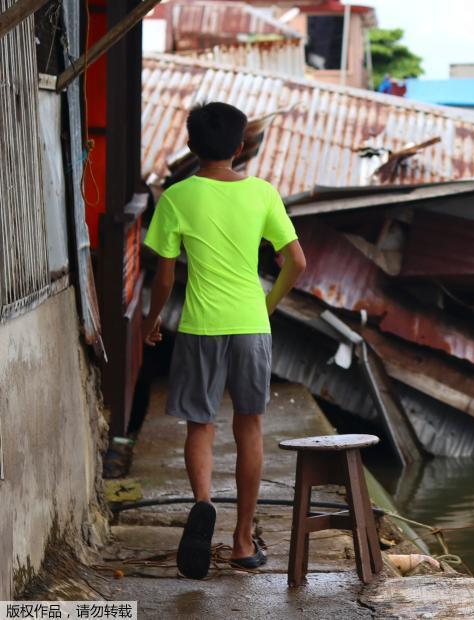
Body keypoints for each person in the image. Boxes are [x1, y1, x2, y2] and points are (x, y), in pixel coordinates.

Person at [141, 101, 306, 579]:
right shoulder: (263, 193)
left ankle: (203, 504)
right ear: (240, 147)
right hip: (251, 324)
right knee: (250, 427)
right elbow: (297, 262)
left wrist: (152, 320)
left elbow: (165, 277)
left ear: (191, 147)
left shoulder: (177, 196)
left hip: (199, 327)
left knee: (201, 425)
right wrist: (267, 304)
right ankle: (240, 542)